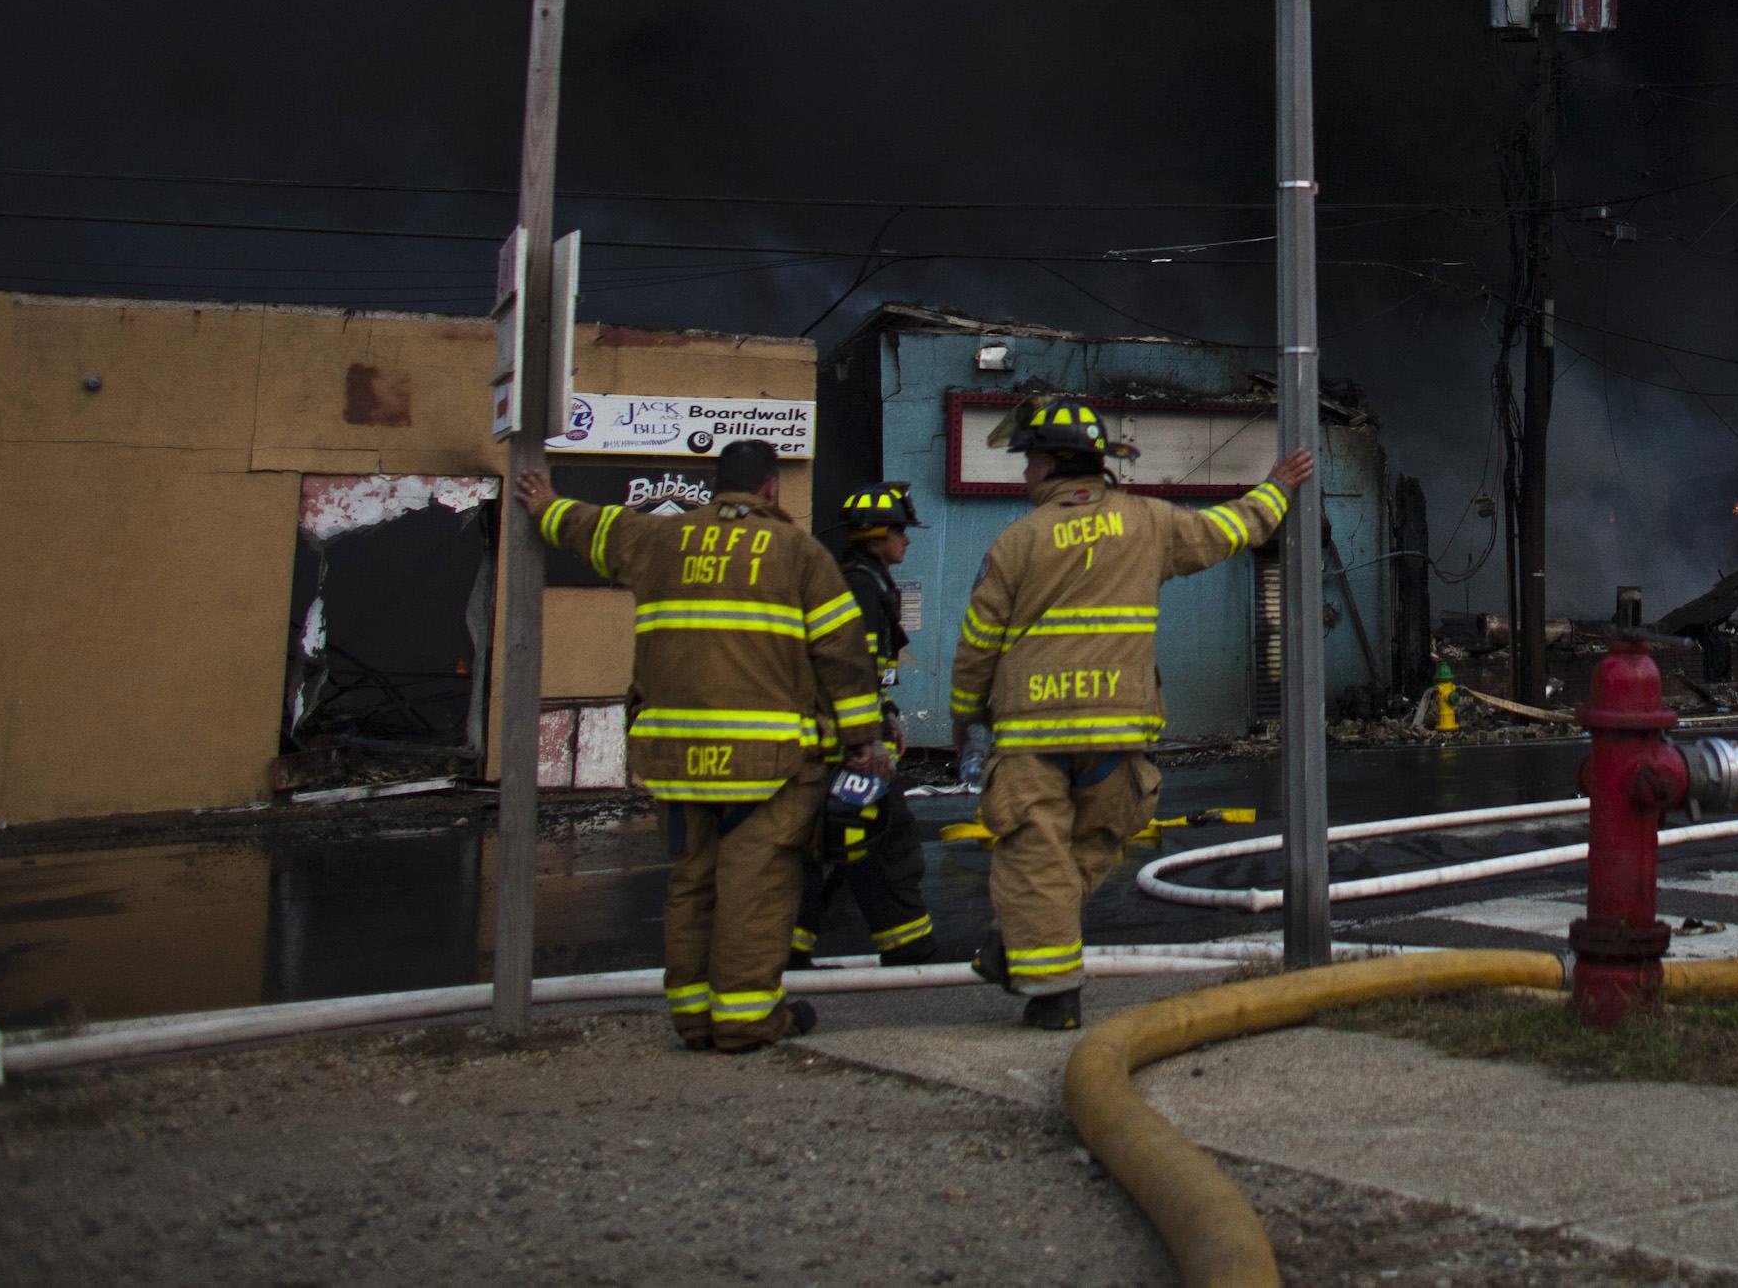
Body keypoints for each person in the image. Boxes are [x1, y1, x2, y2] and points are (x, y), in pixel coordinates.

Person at [949, 395, 1310, 1032]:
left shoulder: (1015, 543)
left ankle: (1052, 990)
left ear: (1057, 464)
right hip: (1117, 729)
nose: (1025, 473)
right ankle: (1021, 948)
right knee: (1091, 843)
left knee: (1036, 854)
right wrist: (1277, 488)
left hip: (1032, 731)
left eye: (1030, 460)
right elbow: (1233, 530)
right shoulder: (1148, 522)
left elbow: (978, 642)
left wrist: (966, 716)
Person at [516, 440, 883, 1053]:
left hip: (678, 759)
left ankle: (692, 1016)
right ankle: (744, 1020)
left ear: (718, 486)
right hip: (766, 765)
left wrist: (545, 503)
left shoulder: (658, 540)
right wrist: (861, 742)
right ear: (770, 489)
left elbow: (589, 527)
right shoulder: (798, 553)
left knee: (692, 881)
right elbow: (842, 655)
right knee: (754, 887)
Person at [792, 481, 936, 971]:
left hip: (841, 739)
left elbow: (867, 673)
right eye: (900, 530)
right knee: (883, 839)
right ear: (876, 533)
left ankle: (789, 946)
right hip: (846, 747)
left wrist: (887, 713)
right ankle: (908, 948)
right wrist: (867, 742)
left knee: (833, 844)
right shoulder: (858, 584)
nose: (907, 541)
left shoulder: (862, 578)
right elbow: (846, 669)